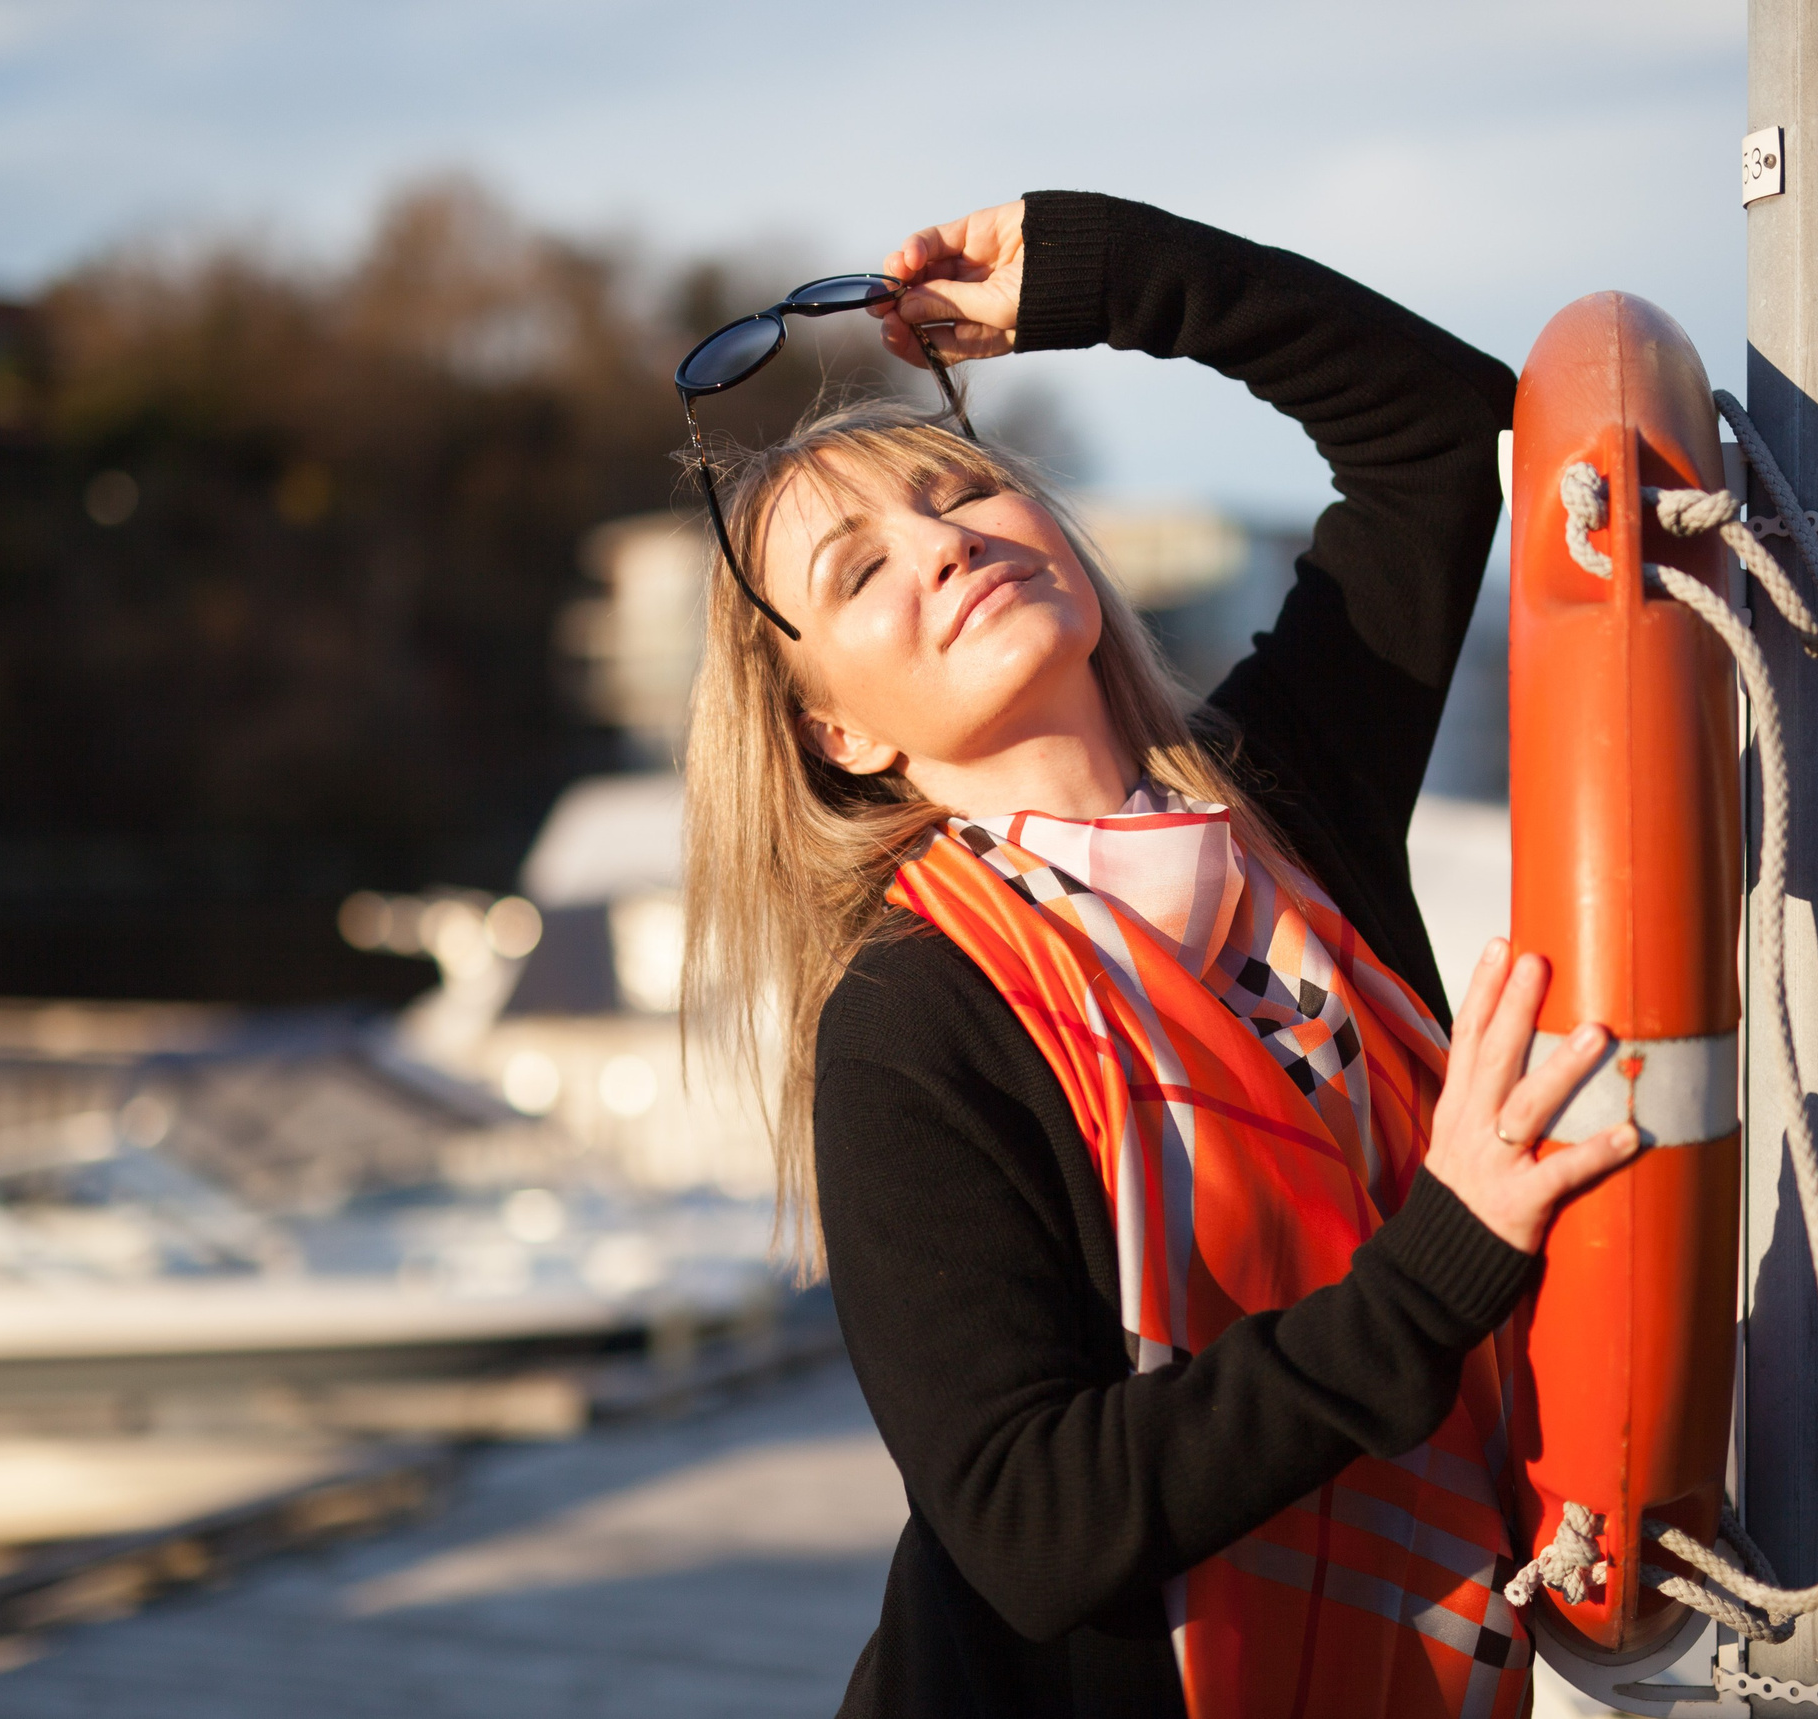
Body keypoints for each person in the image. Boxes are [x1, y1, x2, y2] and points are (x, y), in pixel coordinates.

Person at [678, 192, 1641, 1719]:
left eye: (961, 493)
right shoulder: (916, 1015)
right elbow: (1032, 1528)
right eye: (859, 573)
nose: (941, 547)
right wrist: (1441, 1260)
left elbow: (1436, 428)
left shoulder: (1290, 797)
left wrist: (1092, 277)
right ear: (839, 734)